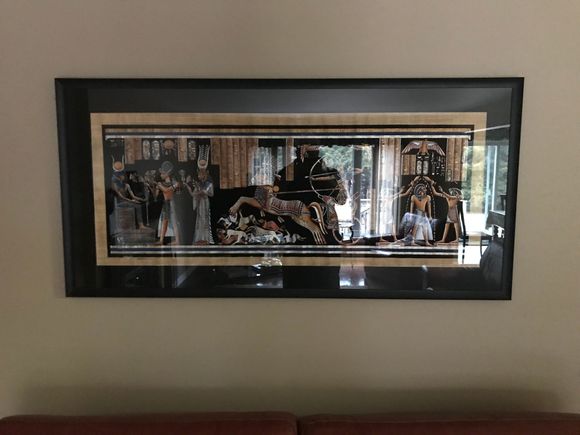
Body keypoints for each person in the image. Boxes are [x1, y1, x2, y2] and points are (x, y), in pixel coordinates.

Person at [429, 178, 463, 243]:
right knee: (447, 225)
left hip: (454, 211)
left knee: (455, 224)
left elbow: (450, 196)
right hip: (450, 211)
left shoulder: (456, 196)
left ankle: (457, 238)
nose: (451, 192)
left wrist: (442, 191)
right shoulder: (448, 196)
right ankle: (443, 239)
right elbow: (435, 193)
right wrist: (432, 185)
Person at [156, 161, 182, 245]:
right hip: (166, 203)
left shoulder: (173, 182)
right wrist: (174, 186)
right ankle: (161, 240)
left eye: (162, 173)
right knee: (165, 221)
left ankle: (177, 240)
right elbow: (166, 190)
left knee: (174, 221)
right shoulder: (161, 183)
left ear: (167, 174)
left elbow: (177, 190)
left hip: (171, 203)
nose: (160, 175)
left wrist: (176, 185)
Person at [186, 168, 214, 244]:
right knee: (199, 219)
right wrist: (189, 187)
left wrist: (203, 191)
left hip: (205, 202)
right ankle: (199, 238)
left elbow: (211, 193)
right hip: (200, 203)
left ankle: (205, 238)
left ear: (205, 174)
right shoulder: (198, 184)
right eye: (198, 174)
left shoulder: (209, 184)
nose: (199, 176)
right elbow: (193, 194)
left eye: (201, 174)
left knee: (205, 219)